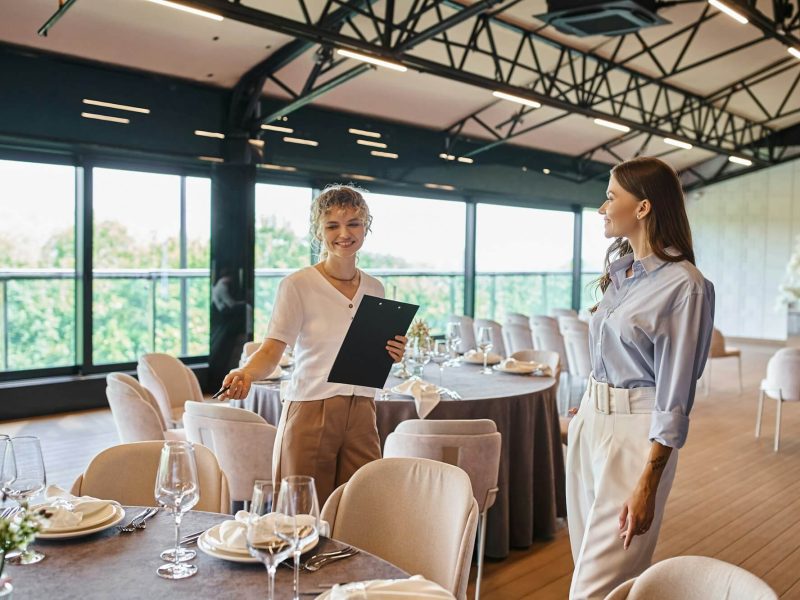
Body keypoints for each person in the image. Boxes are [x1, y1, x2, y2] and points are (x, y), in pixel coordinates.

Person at [566, 157, 715, 599]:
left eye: (610, 196)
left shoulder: (686, 285)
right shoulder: (622, 274)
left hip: (636, 437)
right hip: (590, 423)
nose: (602, 208)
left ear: (643, 206)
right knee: (589, 570)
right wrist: (591, 406)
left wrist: (649, 480)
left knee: (593, 589)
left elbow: (675, 394)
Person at [221, 185, 406, 504]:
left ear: (366, 227)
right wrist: (247, 372)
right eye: (332, 226)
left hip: (363, 410)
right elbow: (271, 350)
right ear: (318, 232)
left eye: (353, 223)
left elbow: (371, 351)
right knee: (303, 512)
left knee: (359, 507)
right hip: (311, 407)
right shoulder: (297, 285)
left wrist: (394, 352)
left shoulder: (375, 288)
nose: (344, 234)